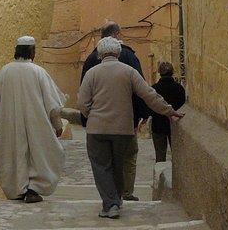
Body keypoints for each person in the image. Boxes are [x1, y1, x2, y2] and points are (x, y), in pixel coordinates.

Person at [78, 37, 185, 219]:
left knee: (101, 167)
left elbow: (82, 103)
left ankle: (111, 204)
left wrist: (92, 116)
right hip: (123, 130)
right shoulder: (129, 72)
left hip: (97, 130)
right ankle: (116, 200)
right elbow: (149, 95)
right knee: (118, 166)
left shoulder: (92, 73)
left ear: (100, 54)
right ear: (118, 53)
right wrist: (168, 111)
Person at [0, 35, 67, 203]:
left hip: (10, 125)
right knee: (38, 155)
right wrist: (57, 125)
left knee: (15, 155)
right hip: (37, 124)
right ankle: (33, 189)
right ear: (32, 51)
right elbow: (52, 103)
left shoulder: (5, 72)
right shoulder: (39, 72)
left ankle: (18, 189)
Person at [79, 22, 150, 201]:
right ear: (117, 35)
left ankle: (110, 199)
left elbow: (83, 96)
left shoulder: (90, 59)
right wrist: (142, 115)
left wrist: (88, 117)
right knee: (127, 157)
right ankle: (125, 193)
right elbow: (142, 91)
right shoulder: (129, 57)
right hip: (126, 121)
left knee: (103, 163)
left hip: (98, 124)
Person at [151, 61, 186, 162]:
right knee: (177, 155)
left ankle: (159, 175)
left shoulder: (154, 89)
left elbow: (150, 107)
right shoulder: (179, 88)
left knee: (160, 155)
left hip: (158, 125)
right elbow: (182, 104)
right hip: (175, 124)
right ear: (172, 72)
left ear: (159, 72)